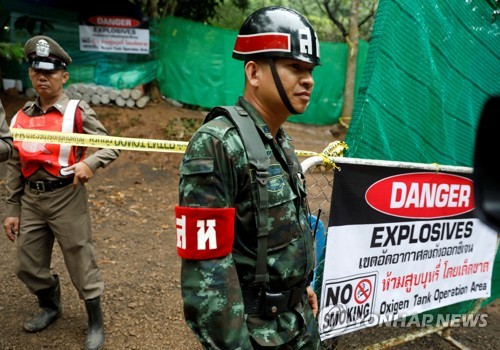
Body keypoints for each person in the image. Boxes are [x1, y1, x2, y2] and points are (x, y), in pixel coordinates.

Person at [176, 6, 321, 349]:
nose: (309, 80)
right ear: (254, 73)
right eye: (295, 67)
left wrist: (297, 288)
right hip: (257, 337)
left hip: (298, 321)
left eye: (311, 70)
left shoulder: (278, 139)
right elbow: (207, 278)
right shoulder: (216, 144)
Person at [3, 35, 120, 350]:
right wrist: (12, 208)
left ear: (64, 76)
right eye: (36, 70)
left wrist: (91, 163)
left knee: (80, 259)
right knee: (26, 264)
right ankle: (50, 304)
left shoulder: (76, 112)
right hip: (31, 198)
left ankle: (95, 321)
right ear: (30, 73)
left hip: (66, 195)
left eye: (50, 72)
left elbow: (113, 143)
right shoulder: (20, 117)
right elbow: (14, 163)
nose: (42, 77)